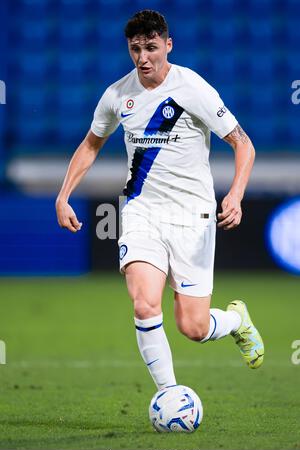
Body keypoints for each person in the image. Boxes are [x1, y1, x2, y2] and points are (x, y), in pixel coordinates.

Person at [56, 10, 264, 390]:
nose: (143, 57)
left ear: (168, 45)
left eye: (151, 47)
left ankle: (237, 321)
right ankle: (169, 395)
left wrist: (235, 194)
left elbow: (243, 143)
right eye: (135, 49)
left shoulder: (193, 88)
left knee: (194, 327)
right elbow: (91, 144)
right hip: (142, 212)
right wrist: (64, 195)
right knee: (144, 303)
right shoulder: (117, 95)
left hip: (193, 216)